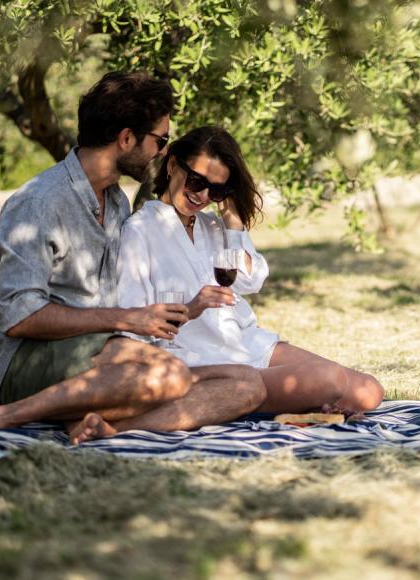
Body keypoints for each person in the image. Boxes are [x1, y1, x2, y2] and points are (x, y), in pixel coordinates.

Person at [0, 73, 266, 443]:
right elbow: (20, 318)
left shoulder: (115, 202)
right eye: (159, 140)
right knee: (172, 375)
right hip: (28, 356)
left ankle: (106, 427)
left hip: (102, 348)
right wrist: (128, 318)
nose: (163, 151)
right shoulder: (39, 204)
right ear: (127, 138)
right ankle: (2, 416)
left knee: (247, 383)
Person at [109, 126, 383, 428]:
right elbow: (132, 323)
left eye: (217, 190)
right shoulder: (139, 231)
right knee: (330, 379)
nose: (202, 195)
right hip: (202, 359)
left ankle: (287, 404)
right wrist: (190, 309)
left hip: (245, 343)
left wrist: (233, 222)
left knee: (369, 391)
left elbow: (252, 281)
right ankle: (239, 401)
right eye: (197, 180)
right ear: (172, 164)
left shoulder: (212, 226)